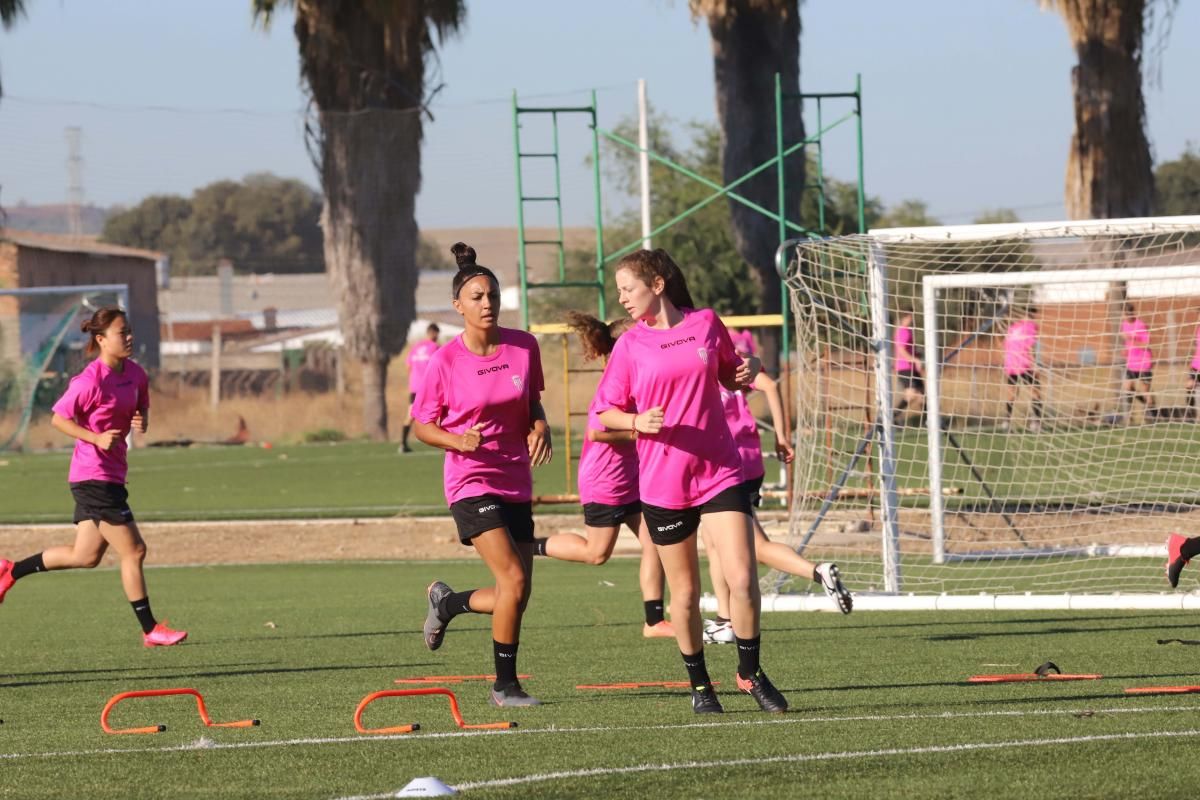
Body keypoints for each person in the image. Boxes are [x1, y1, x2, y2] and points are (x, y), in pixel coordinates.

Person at [596, 248, 787, 715]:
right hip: (664, 483)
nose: (621, 298)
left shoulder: (705, 323)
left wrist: (754, 368)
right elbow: (606, 411)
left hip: (720, 471)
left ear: (657, 284)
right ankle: (701, 685)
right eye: (618, 290)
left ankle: (750, 673)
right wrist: (638, 423)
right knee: (683, 594)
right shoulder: (628, 346)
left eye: (628, 288)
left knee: (742, 578)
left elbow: (733, 373)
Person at [414, 243, 552, 708]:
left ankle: (448, 604)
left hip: (515, 477)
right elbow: (421, 425)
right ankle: (504, 686)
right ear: (459, 306)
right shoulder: (445, 361)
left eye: (492, 294)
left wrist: (540, 425)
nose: (487, 303)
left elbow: (531, 402)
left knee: (516, 594)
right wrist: (457, 441)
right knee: (512, 579)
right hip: (471, 481)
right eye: (477, 296)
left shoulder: (524, 346)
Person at [0, 307, 187, 647]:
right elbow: (59, 419)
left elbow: (141, 407)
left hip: (113, 475)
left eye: (129, 330)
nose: (129, 337)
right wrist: (96, 437)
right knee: (135, 551)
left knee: (84, 556)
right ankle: (150, 630)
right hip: (93, 476)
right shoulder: (90, 380)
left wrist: (142, 421)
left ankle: (9, 571)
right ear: (101, 340)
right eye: (121, 333)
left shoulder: (135, 373)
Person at [531, 311, 674, 639]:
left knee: (655, 541)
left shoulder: (641, 377)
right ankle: (530, 545)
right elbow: (598, 434)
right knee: (597, 554)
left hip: (632, 478)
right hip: (605, 479)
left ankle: (654, 622)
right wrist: (638, 430)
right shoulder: (617, 382)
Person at [702, 355, 852, 646]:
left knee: (755, 546)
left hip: (724, 464)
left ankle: (817, 572)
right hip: (749, 460)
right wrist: (782, 437)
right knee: (714, 541)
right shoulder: (729, 360)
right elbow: (770, 385)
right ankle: (724, 621)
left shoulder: (697, 362)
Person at [400, 323, 441, 453]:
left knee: (410, 415)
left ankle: (403, 444)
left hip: (414, 387)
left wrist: (414, 379)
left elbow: (408, 366)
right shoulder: (435, 347)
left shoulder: (416, 347)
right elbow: (440, 367)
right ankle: (445, 441)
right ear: (434, 333)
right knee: (440, 412)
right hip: (428, 387)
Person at [1002, 307, 1043, 432]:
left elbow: (1006, 347)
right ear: (1030, 315)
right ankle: (1035, 423)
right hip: (1024, 364)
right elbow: (1030, 347)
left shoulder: (1013, 328)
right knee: (1036, 392)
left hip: (1011, 365)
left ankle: (1006, 422)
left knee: (1012, 395)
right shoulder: (1030, 326)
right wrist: (1035, 364)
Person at [1120, 303, 1156, 422]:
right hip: (1131, 363)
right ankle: (1146, 404)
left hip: (1144, 361)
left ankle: (1152, 416)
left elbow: (1146, 344)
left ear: (1132, 313)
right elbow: (1128, 344)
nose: (1126, 316)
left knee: (1146, 390)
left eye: (1128, 314)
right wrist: (1125, 350)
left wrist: (1131, 339)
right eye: (1124, 314)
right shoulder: (1124, 325)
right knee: (1128, 387)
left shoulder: (1141, 325)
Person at [893, 311, 924, 426]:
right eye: (911, 316)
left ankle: (929, 420)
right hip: (905, 367)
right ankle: (892, 416)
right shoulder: (903, 331)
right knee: (913, 394)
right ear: (906, 317)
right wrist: (914, 359)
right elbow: (901, 350)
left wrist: (917, 354)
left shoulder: (906, 331)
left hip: (911, 368)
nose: (912, 319)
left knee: (922, 394)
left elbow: (907, 349)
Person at [1185, 321, 1200, 417]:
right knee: (1189, 385)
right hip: (1196, 365)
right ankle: (1191, 412)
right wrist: (1192, 361)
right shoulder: (1198, 329)